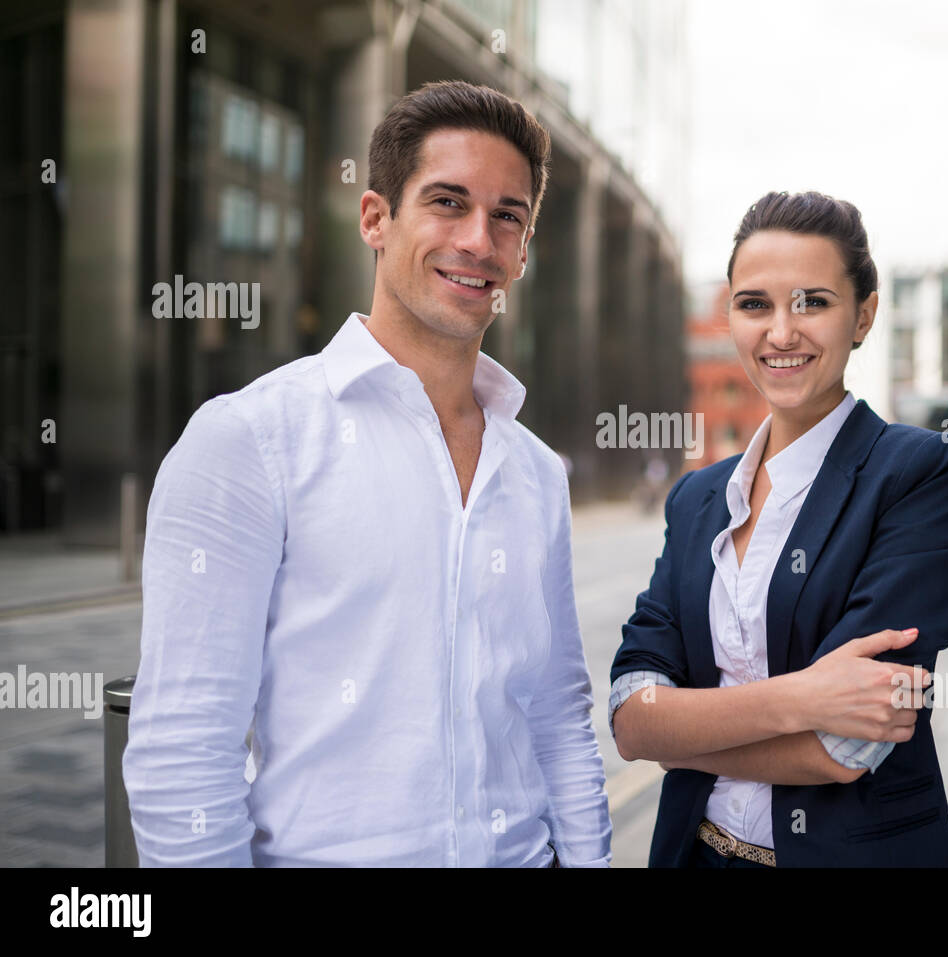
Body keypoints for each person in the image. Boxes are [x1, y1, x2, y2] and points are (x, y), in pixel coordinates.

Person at [123, 81, 611, 867]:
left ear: (524, 249)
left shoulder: (535, 472)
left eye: (507, 216)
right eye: (447, 202)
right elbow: (184, 746)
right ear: (376, 219)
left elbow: (557, 715)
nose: (479, 241)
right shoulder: (250, 438)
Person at [608, 191, 948, 867]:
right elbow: (631, 713)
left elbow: (845, 748)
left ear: (863, 314)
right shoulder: (696, 498)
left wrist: (679, 735)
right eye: (755, 304)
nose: (781, 332)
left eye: (812, 301)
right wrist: (804, 696)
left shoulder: (920, 473)